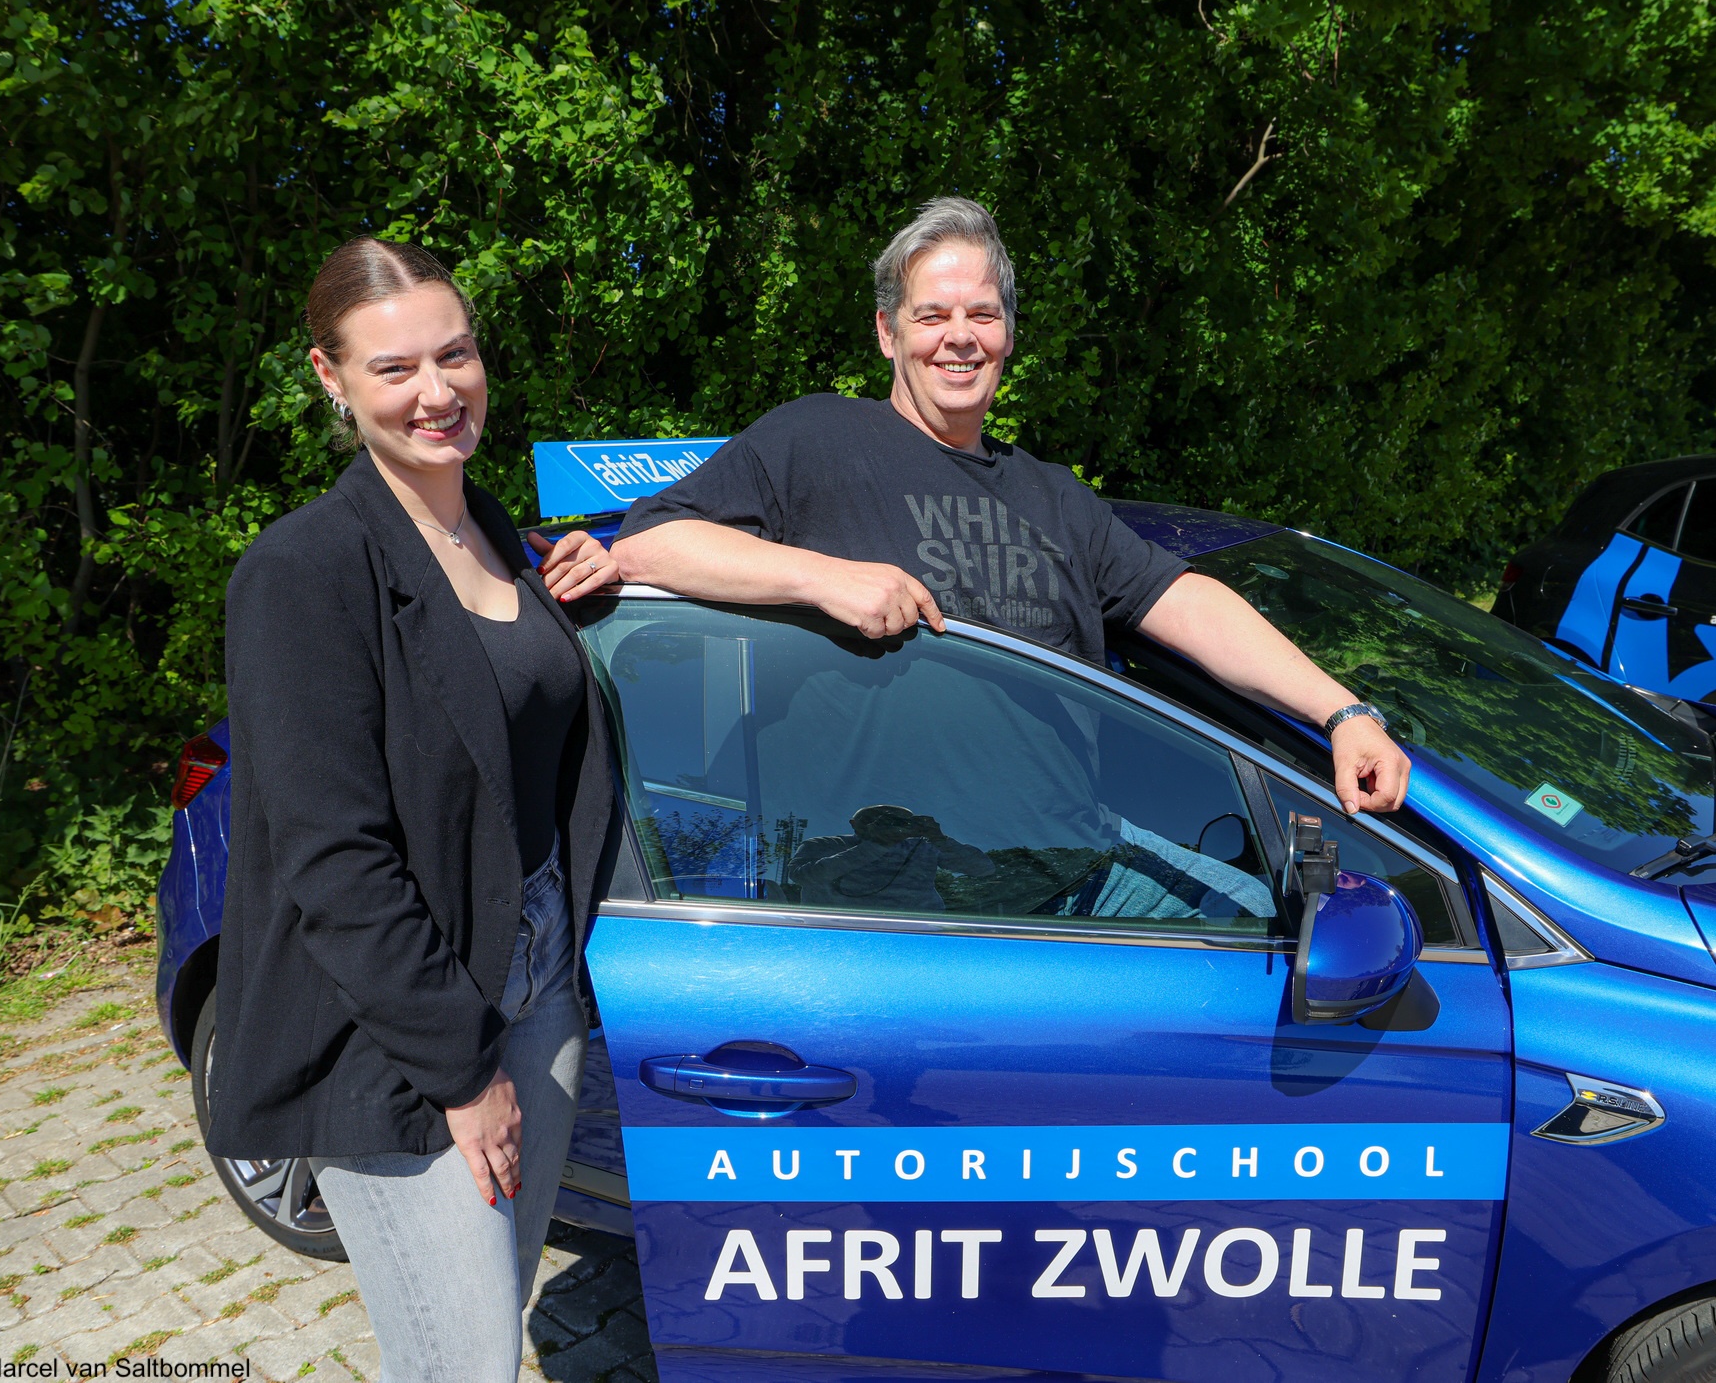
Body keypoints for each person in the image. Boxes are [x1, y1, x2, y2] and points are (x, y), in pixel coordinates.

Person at [540, 195, 1410, 816]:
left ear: (1007, 335)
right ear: (888, 333)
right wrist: (826, 580)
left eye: (983, 314)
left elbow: (1188, 605)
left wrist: (1343, 712)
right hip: (878, 889)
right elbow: (651, 545)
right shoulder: (815, 439)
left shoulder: (1055, 495)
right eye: (933, 315)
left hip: (1072, 882)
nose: (960, 336)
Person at [210, 237, 623, 1381]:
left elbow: (512, 733)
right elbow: (333, 859)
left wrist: (580, 585)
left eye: (456, 354)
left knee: (482, 1321)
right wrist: (459, 1071)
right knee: (463, 1364)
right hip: (411, 1031)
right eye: (395, 369)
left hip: (536, 988)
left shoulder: (497, 538)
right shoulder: (305, 571)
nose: (437, 392)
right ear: (329, 378)